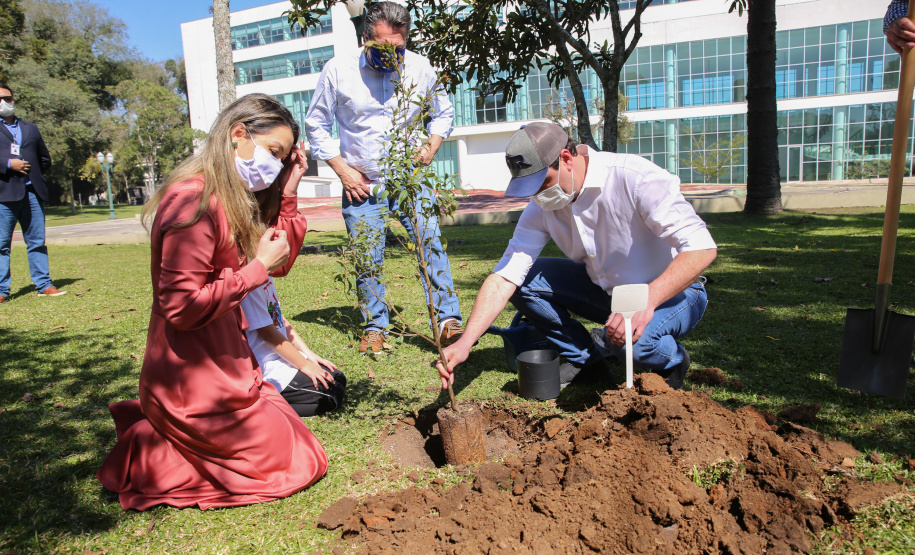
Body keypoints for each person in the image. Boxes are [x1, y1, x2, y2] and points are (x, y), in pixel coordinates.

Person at [97, 93, 327, 510]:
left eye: (281, 157)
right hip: (191, 375)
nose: (274, 165)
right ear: (238, 134)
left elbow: (280, 260)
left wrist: (289, 188)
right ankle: (147, 451)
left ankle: (169, 439)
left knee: (299, 443)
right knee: (295, 461)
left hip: (229, 366)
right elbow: (181, 308)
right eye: (273, 152)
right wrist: (255, 268)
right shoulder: (194, 201)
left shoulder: (231, 197)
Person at [437, 123, 718, 390]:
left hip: (674, 293)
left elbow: (702, 247)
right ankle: (588, 360)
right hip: (606, 291)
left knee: (634, 345)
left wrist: (647, 300)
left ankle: (673, 362)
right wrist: (466, 342)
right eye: (531, 188)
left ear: (567, 158)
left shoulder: (635, 179)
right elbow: (504, 278)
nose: (538, 195)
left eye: (543, 182)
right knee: (523, 282)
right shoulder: (541, 208)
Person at [304, 1, 464, 354]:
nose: (391, 55)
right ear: (365, 39)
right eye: (381, 47)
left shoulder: (421, 68)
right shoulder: (337, 70)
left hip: (410, 180)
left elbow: (443, 112)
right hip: (361, 184)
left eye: (399, 47)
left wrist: (432, 146)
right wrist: (343, 170)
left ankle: (447, 321)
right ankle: (375, 327)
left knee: (431, 248)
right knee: (366, 258)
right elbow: (315, 124)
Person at [239, 274, 347, 417]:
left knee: (338, 377)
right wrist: (304, 365)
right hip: (265, 367)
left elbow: (279, 318)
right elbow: (268, 333)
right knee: (329, 398)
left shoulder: (267, 275)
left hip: (282, 358)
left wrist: (309, 355)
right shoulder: (250, 283)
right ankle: (258, 409)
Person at [0, 82, 65, 303]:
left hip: (32, 193)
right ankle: (1, 291)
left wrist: (34, 174)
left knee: (37, 241)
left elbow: (44, 158)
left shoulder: (30, 128)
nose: (4, 103)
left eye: (7, 98)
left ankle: (44, 285)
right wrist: (9, 165)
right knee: (1, 245)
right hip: (3, 194)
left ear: (13, 99)